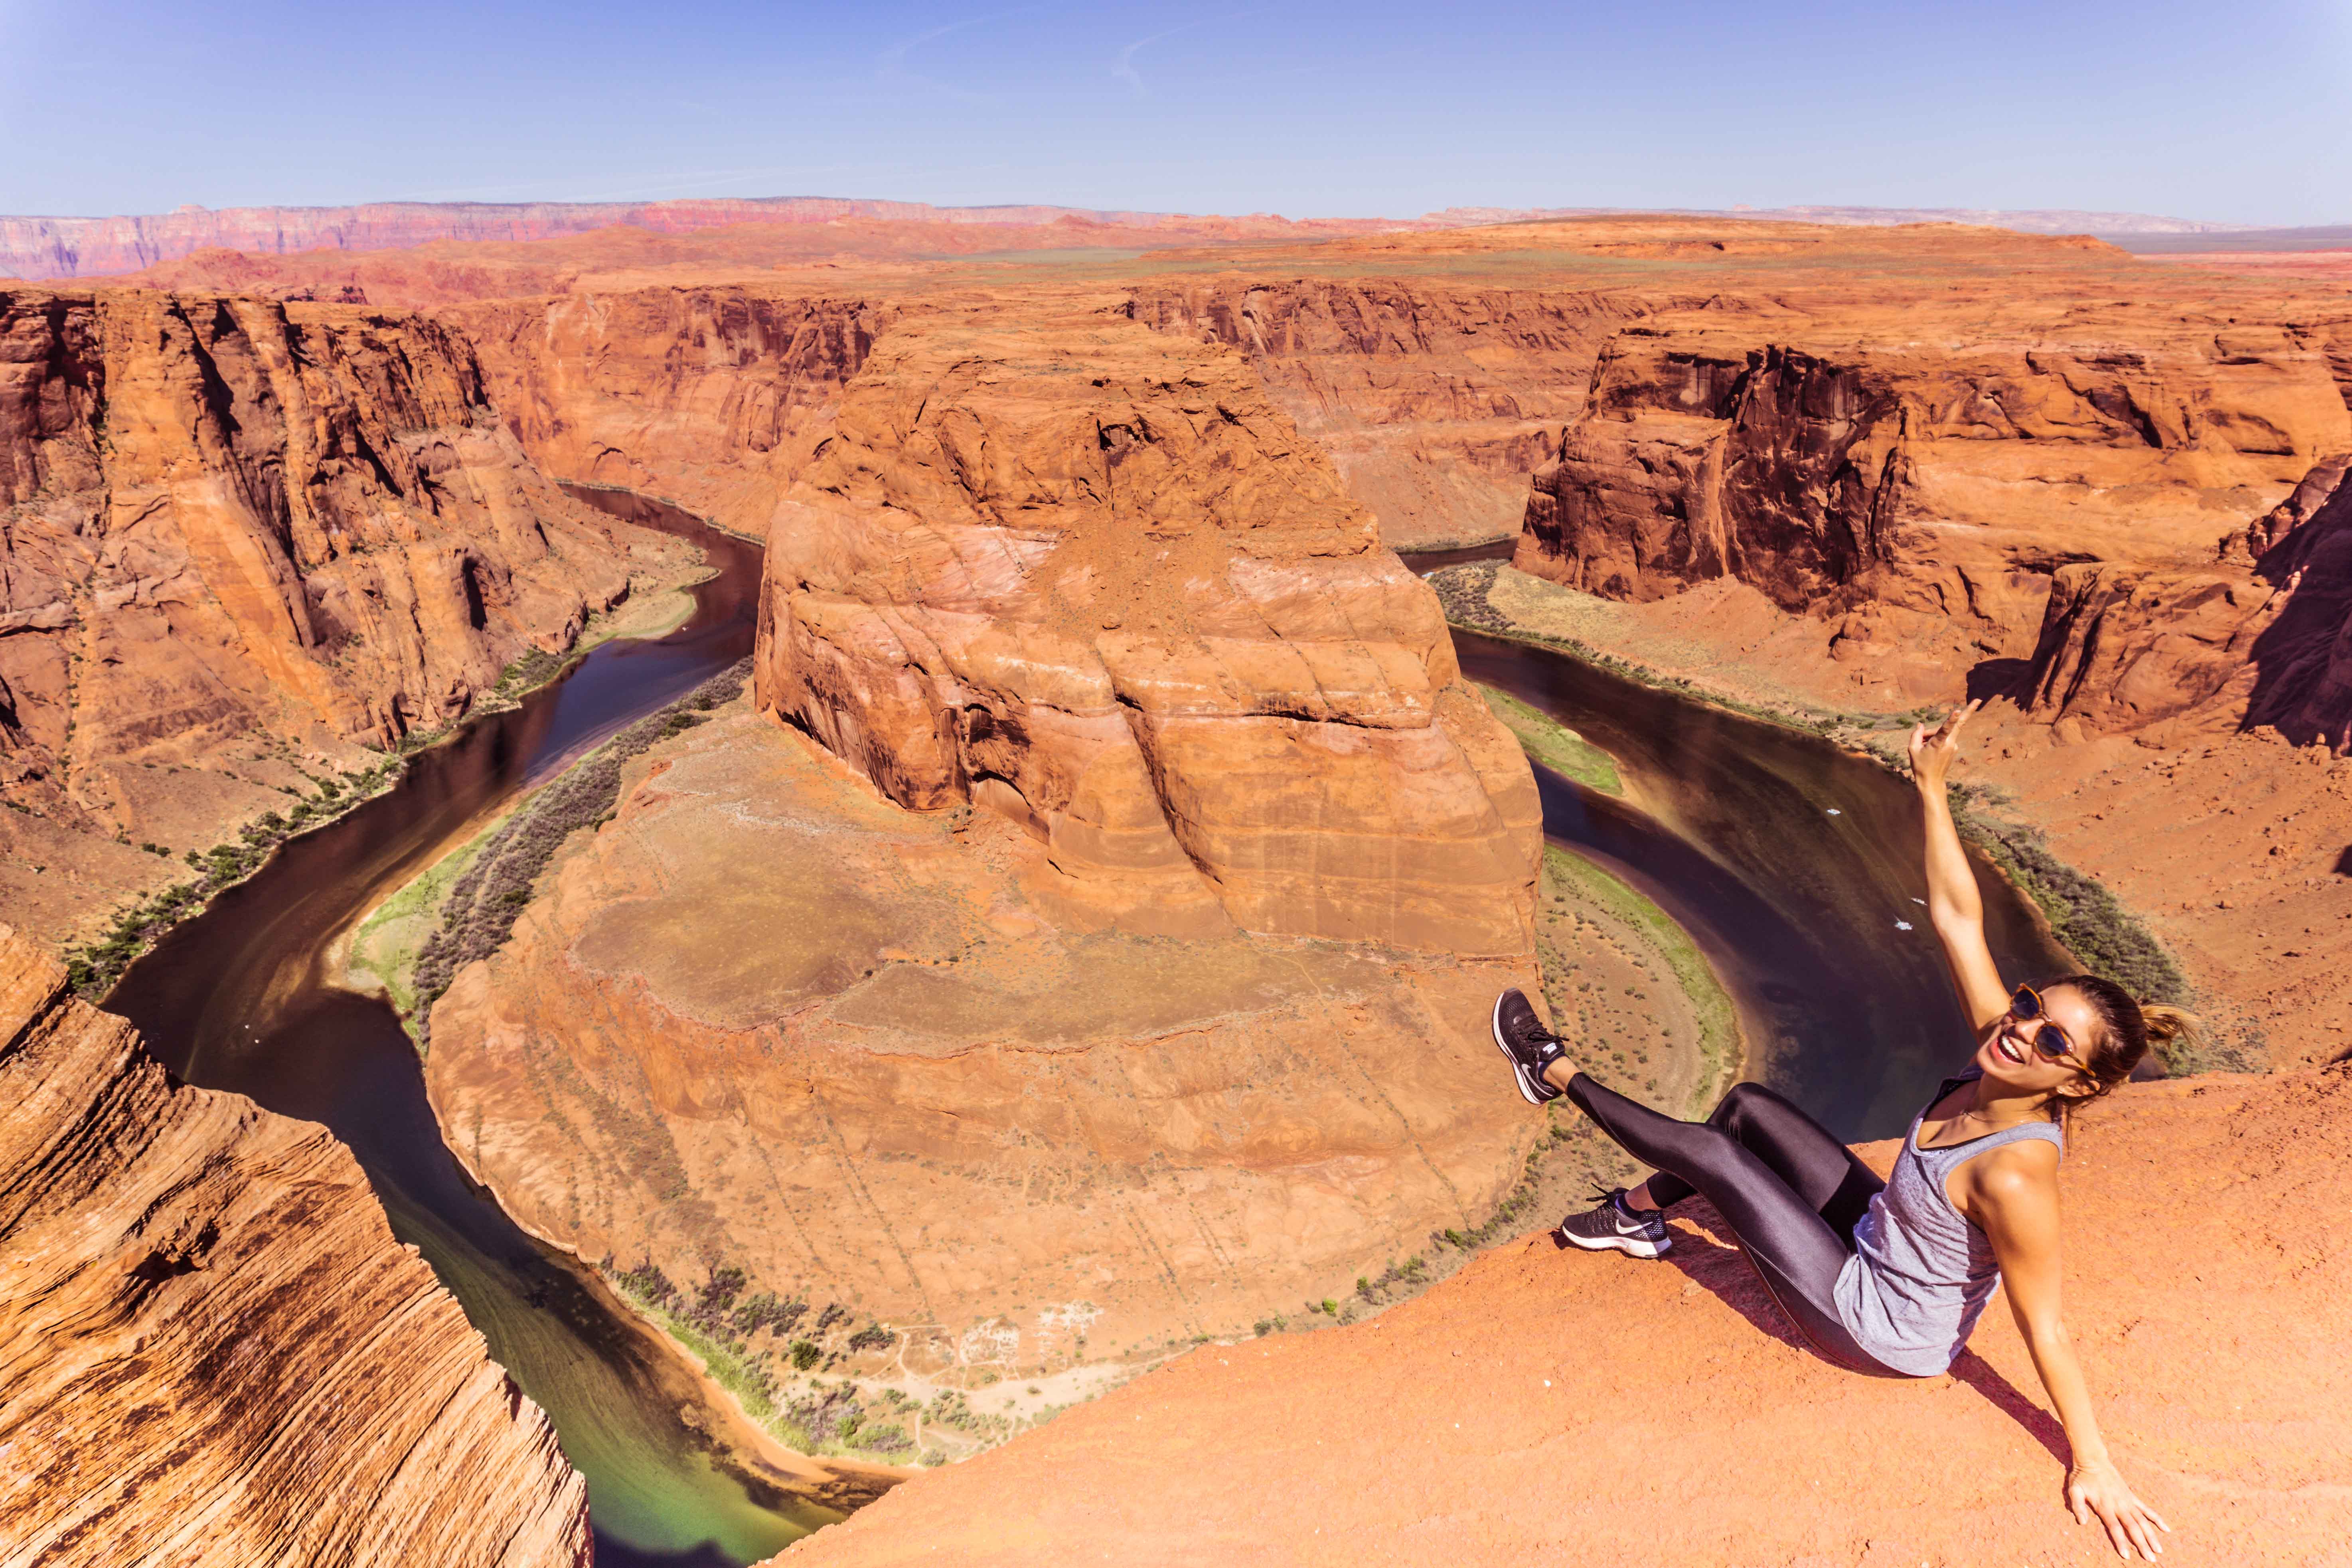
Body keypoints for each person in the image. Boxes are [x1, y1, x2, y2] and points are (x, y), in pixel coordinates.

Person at [1490, 700, 2184, 1562]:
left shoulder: (2015, 1174)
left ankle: (1549, 1071)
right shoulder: (1994, 1058)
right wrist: (1930, 786)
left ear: (2076, 1083)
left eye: (2049, 1039)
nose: (2019, 1026)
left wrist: (2095, 1465)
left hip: (1876, 1327)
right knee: (1745, 1107)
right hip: (1871, 1239)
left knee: (1710, 1154)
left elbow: (2046, 1327)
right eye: (2029, 1004)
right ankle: (1635, 1217)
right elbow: (1959, 923)